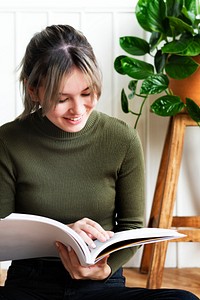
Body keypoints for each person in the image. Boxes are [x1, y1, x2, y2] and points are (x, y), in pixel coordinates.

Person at [0, 24, 198, 300]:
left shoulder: (122, 138)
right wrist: (61, 235)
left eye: (87, 93)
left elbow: (131, 227)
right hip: (31, 286)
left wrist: (103, 271)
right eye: (62, 99)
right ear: (33, 90)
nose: (78, 110)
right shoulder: (9, 140)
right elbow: (2, 232)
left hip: (101, 286)